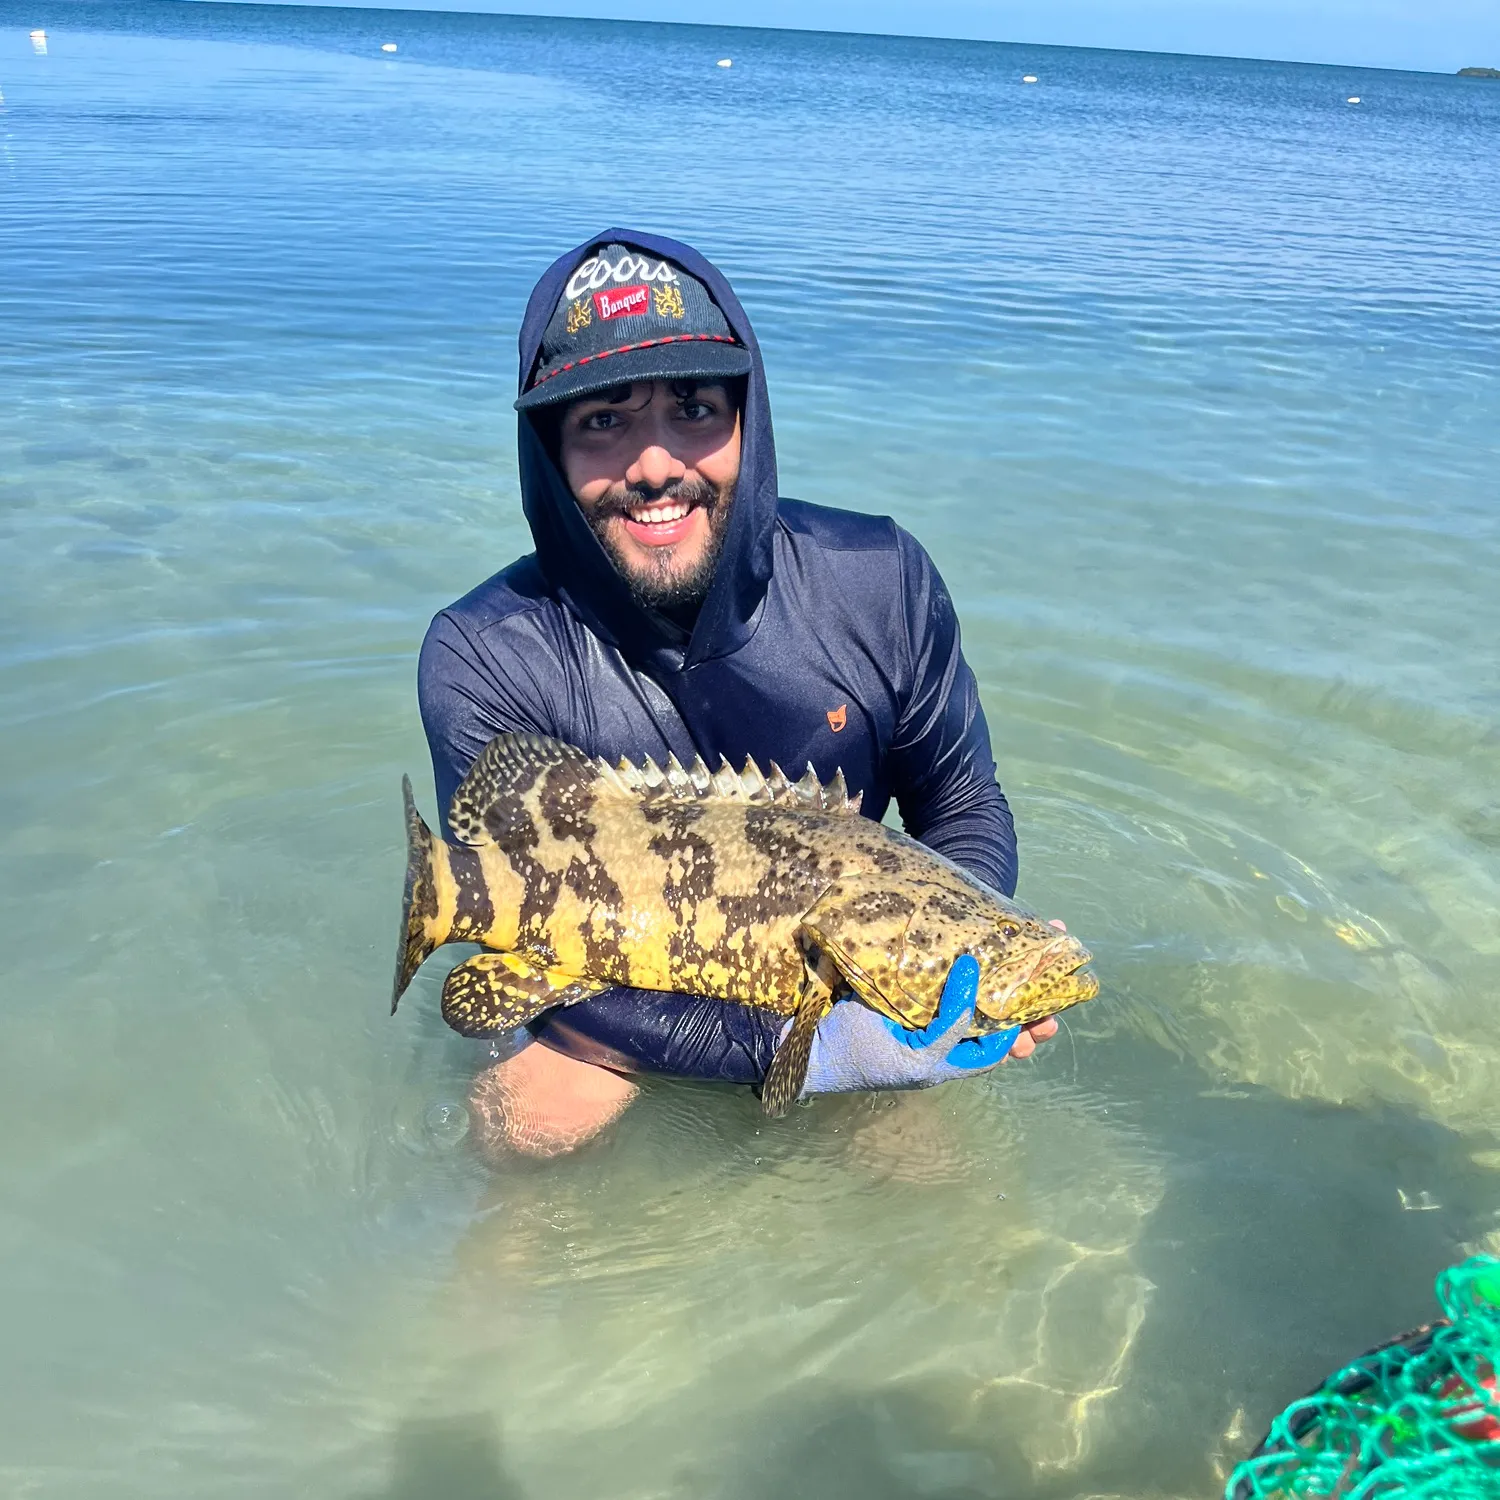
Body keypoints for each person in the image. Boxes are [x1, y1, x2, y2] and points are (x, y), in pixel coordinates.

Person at [418, 231, 1058, 1158]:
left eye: (693, 408)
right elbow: (513, 916)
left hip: (830, 982)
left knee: (932, 1168)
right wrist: (804, 1055)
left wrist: (944, 979)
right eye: (602, 420)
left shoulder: (880, 582)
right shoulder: (484, 653)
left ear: (747, 421)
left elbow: (961, 805)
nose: (653, 464)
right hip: (609, 1010)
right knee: (526, 1122)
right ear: (547, 452)